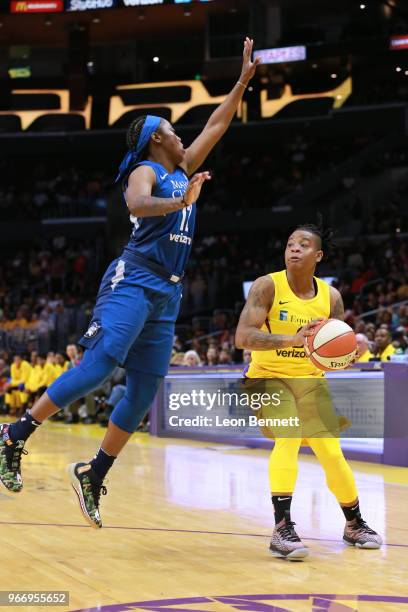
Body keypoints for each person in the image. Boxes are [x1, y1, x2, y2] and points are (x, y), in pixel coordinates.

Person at [0, 38, 259, 528]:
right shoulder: (145, 170)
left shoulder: (182, 168)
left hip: (169, 289)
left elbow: (217, 123)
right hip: (134, 279)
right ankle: (15, 434)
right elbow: (137, 207)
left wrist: (242, 81)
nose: (180, 133)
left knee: (144, 391)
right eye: (171, 128)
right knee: (99, 368)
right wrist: (181, 204)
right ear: (156, 139)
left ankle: (95, 472)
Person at [235, 222, 382, 560]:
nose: (294, 248)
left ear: (318, 255)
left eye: (303, 244)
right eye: (290, 243)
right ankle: (282, 528)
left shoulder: (331, 297)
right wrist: (292, 339)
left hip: (311, 382)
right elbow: (242, 337)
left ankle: (353, 523)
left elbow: (336, 356)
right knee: (287, 436)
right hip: (266, 376)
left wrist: (343, 357)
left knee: (332, 453)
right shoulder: (266, 286)